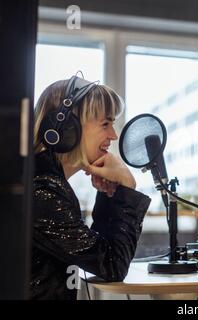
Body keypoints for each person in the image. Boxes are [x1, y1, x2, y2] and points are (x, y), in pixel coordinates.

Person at [31, 76, 151, 299]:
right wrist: (128, 187)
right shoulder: (43, 192)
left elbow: (97, 254)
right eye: (105, 124)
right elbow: (113, 266)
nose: (113, 135)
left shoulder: (49, 184)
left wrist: (110, 195)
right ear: (67, 128)